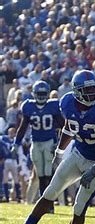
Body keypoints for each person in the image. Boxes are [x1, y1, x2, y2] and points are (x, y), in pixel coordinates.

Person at [5, 70, 95, 224]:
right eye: (87, 90)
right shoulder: (67, 103)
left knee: (79, 207)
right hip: (77, 155)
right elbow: (69, 126)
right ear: (76, 91)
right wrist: (59, 152)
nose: (92, 94)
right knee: (49, 193)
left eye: (94, 89)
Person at [12, 81, 63, 210]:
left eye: (43, 93)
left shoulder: (53, 106)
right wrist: (16, 143)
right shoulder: (29, 107)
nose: (41, 96)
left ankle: (49, 204)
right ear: (34, 94)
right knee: (40, 175)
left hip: (49, 143)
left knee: (48, 174)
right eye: (39, 94)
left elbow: (63, 125)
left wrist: (58, 142)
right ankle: (44, 205)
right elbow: (23, 127)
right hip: (35, 143)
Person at [2, 127, 22, 202]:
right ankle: (6, 197)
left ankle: (18, 197)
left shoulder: (16, 141)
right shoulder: (3, 139)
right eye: (9, 132)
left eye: (12, 132)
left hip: (14, 161)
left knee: (16, 179)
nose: (11, 134)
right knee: (5, 179)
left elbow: (20, 153)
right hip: (6, 160)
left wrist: (19, 164)